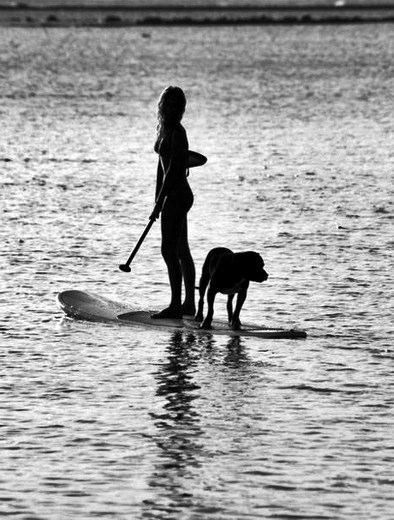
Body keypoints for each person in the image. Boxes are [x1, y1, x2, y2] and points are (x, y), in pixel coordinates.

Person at [150, 86, 196, 319]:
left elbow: (174, 171)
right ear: (162, 106)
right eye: (168, 105)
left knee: (169, 250)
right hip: (171, 195)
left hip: (178, 196)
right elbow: (161, 168)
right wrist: (156, 199)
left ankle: (177, 305)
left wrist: (161, 202)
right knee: (180, 249)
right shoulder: (164, 130)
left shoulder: (178, 133)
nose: (172, 109)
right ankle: (188, 304)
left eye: (176, 106)